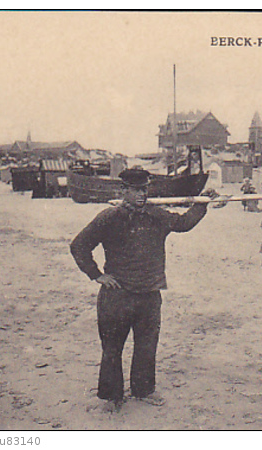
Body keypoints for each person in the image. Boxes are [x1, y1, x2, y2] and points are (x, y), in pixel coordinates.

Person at [70, 168, 214, 413]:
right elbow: (79, 245)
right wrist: (97, 275)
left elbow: (183, 223)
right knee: (112, 348)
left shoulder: (156, 214)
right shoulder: (109, 217)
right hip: (117, 295)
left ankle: (144, 390)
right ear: (123, 191)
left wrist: (203, 203)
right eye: (135, 189)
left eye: (145, 189)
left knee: (147, 345)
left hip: (150, 293)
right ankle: (111, 396)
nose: (141, 194)